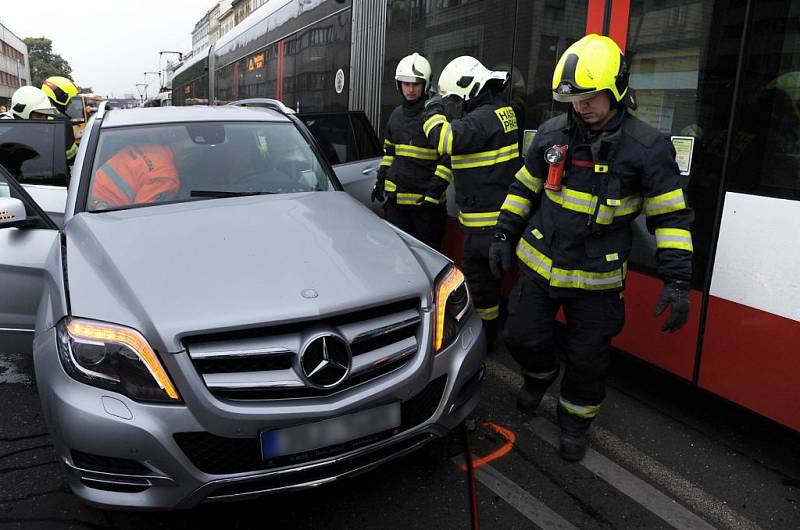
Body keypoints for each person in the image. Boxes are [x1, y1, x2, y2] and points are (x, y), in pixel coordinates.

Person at [489, 34, 693, 462]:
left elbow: (670, 216)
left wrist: (676, 277)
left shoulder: (647, 149)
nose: (581, 105)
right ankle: (539, 375)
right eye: (574, 97)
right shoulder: (551, 134)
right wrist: (505, 232)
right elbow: (524, 188)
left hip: (597, 282)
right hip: (540, 267)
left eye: (590, 95)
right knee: (521, 337)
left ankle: (574, 424)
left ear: (616, 88)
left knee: (587, 362)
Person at [422, 56, 520, 348]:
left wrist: (434, 108)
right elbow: (461, 157)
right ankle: (491, 337)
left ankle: (485, 344)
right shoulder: (503, 112)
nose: (457, 105)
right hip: (497, 222)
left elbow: (444, 141)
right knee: (489, 286)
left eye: (455, 99)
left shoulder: (481, 119)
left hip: (484, 227)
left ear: (469, 89)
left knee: (479, 288)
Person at [372, 52, 450, 250]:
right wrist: (381, 180)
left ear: (425, 85)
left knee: (428, 260)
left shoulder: (434, 116)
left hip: (427, 209)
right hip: (397, 206)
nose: (411, 89)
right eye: (406, 84)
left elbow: (447, 160)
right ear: (399, 85)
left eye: (416, 84)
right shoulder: (396, 115)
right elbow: (390, 153)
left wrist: (432, 196)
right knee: (397, 256)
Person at [89, 141, 181, 210]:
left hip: (86, 194)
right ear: (186, 157)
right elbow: (143, 214)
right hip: (103, 209)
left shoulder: (144, 145)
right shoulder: (167, 177)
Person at [41, 76, 79, 162]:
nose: (70, 102)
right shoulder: (62, 122)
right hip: (59, 170)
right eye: (69, 98)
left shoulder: (33, 114)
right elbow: (71, 156)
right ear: (60, 96)